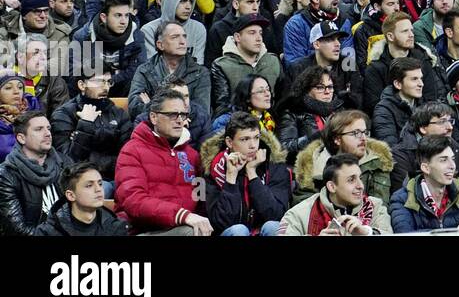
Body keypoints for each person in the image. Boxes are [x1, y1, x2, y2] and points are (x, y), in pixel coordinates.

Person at [114, 89, 211, 235]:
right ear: (153, 117)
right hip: (143, 231)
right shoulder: (132, 150)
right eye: (172, 114)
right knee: (192, 232)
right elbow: (133, 201)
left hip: (184, 227)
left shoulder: (192, 155)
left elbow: (200, 201)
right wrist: (183, 216)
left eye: (183, 114)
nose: (180, 120)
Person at [200, 112, 291, 236]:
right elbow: (221, 223)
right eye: (245, 139)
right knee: (239, 231)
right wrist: (231, 178)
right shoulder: (213, 170)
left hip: (263, 230)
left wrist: (252, 174)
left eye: (256, 138)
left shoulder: (273, 164)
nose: (253, 146)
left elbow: (277, 214)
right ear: (229, 142)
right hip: (231, 232)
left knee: (273, 227)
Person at [292, 109, 393, 205]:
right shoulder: (312, 166)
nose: (363, 138)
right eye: (355, 133)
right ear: (337, 139)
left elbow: (380, 208)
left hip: (364, 221)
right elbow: (303, 207)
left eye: (365, 132)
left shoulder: (377, 163)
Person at [49, 70, 132, 182]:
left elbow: (127, 158)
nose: (106, 87)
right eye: (100, 81)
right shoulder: (64, 114)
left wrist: (91, 158)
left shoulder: (119, 114)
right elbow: (68, 161)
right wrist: (86, 124)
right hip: (79, 180)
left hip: (116, 177)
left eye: (109, 82)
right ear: (82, 85)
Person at [282, 153, 392, 235]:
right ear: (332, 186)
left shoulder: (375, 206)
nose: (361, 186)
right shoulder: (298, 214)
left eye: (360, 178)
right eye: (351, 180)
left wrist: (366, 233)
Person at [0, 110, 65, 235]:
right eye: (39, 129)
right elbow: (17, 231)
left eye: (48, 128)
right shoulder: (6, 175)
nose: (47, 134)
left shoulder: (65, 163)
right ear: (21, 138)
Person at [34, 163, 128, 236]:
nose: (98, 189)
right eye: (89, 185)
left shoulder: (116, 227)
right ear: (71, 195)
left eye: (100, 184)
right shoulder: (48, 232)